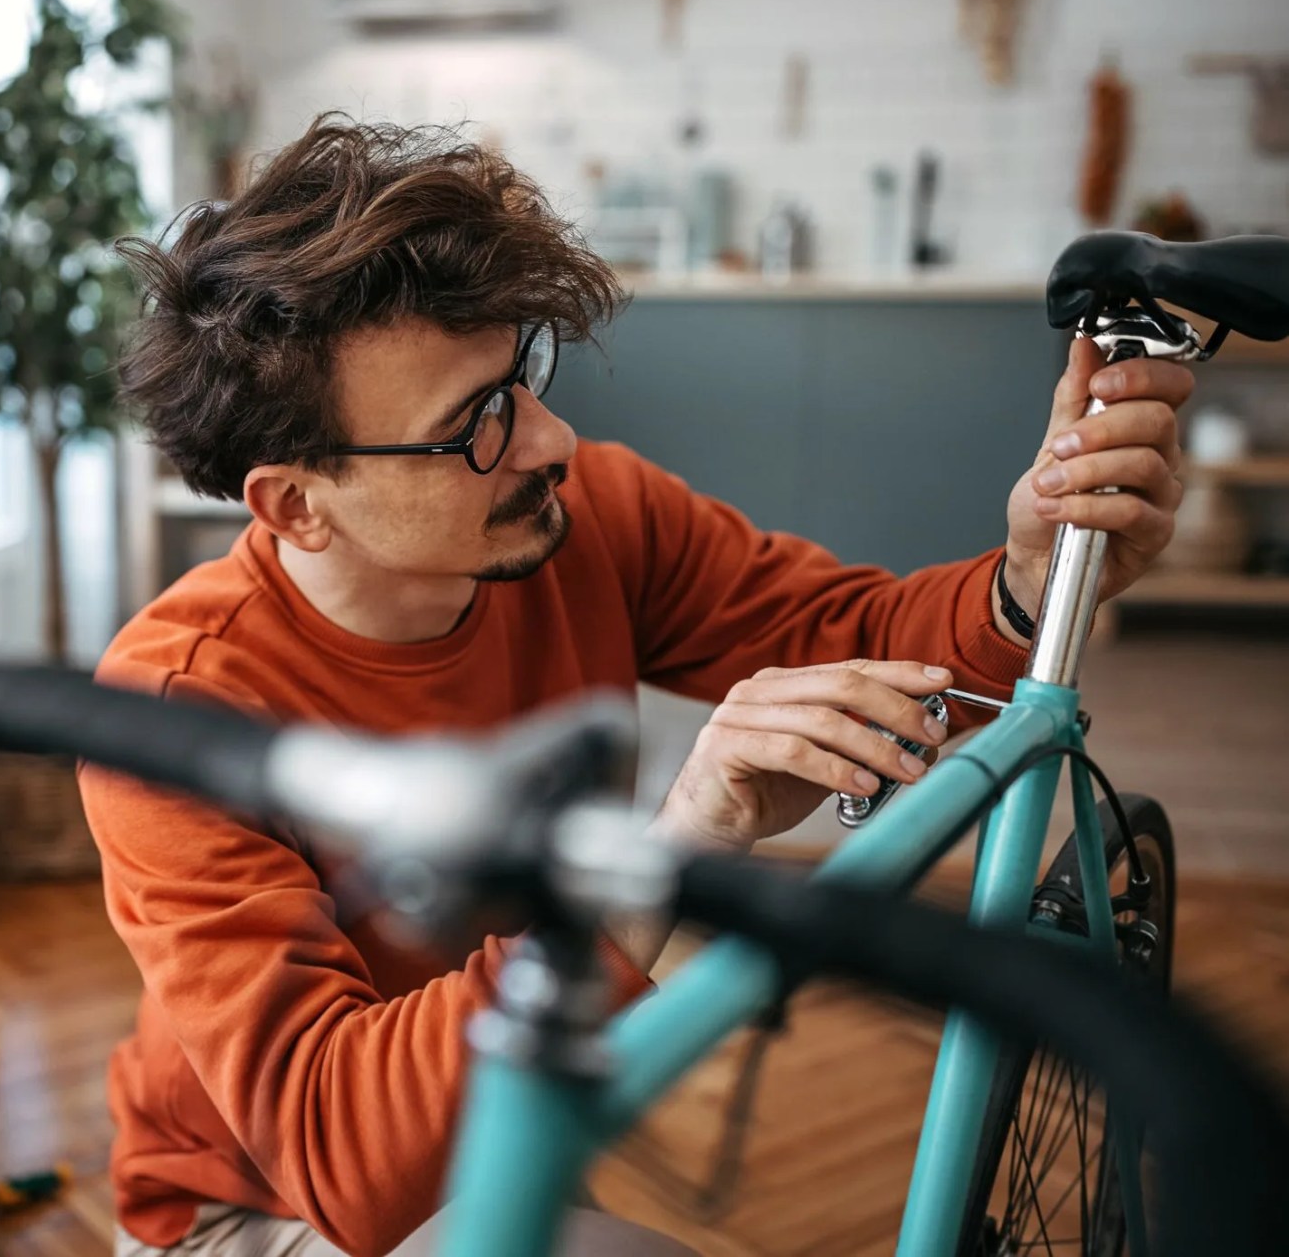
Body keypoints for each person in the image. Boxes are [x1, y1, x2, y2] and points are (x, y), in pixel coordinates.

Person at [80, 115, 1191, 1257]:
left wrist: (1020, 579)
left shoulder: (585, 516)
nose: (553, 439)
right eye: (472, 429)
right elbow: (344, 1159)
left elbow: (837, 627)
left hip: (485, 1130)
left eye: (524, 372)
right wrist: (675, 844)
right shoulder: (178, 710)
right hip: (249, 1209)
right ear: (295, 505)